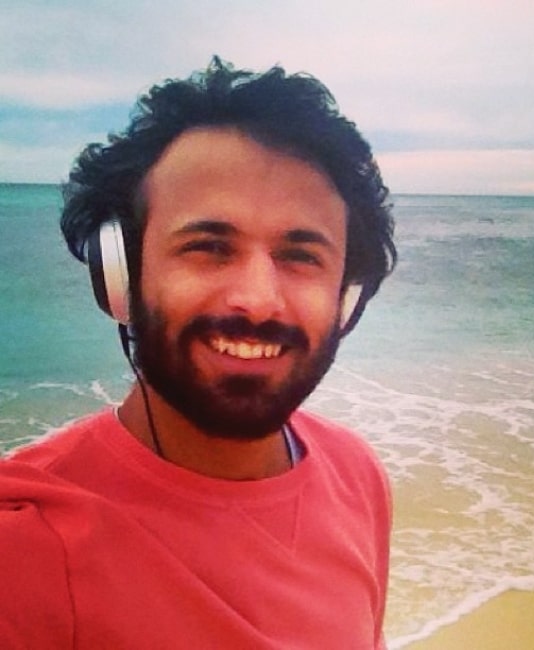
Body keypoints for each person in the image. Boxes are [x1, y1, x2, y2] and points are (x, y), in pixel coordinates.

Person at [0, 56, 396, 649]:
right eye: (209, 246)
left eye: (300, 255)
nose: (259, 301)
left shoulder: (356, 476)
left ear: (347, 299)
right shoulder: (25, 545)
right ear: (121, 276)